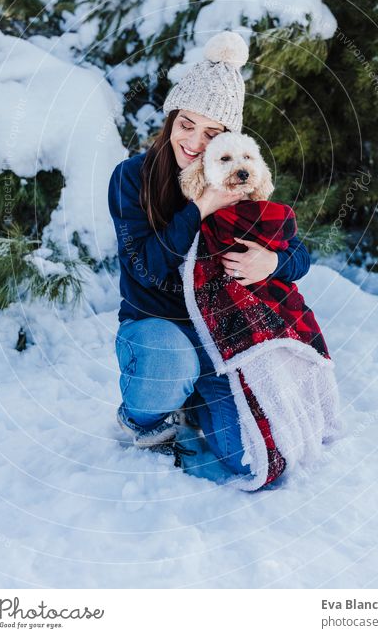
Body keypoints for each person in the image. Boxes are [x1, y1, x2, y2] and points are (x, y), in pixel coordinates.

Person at [108, 31, 311, 479]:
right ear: (171, 119)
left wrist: (272, 262)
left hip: (219, 338)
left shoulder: (237, 178)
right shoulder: (131, 178)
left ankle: (198, 401)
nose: (195, 143)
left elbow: (298, 250)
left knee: (245, 460)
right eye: (186, 124)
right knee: (168, 361)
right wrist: (201, 209)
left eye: (212, 132)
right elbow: (145, 267)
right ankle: (147, 418)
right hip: (156, 328)